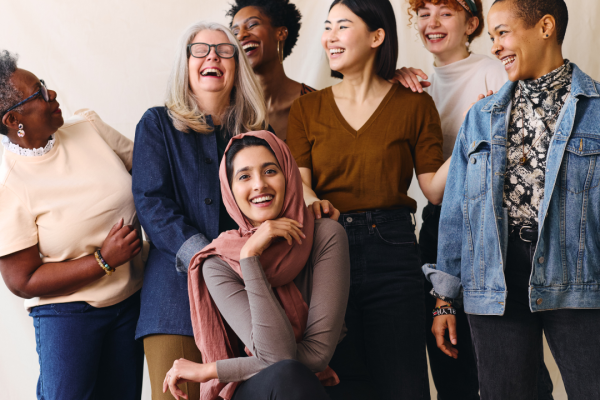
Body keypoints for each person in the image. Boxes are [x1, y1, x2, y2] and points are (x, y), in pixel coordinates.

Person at [424, 0, 600, 398]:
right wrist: (444, 299)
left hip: (578, 274)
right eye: (492, 37)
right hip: (494, 276)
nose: (497, 46)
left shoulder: (597, 111)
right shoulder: (481, 116)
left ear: (546, 27)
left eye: (503, 33)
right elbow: (456, 213)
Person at [287, 0, 451, 398]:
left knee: (403, 383)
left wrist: (474, 130)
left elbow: (433, 189)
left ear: (377, 36)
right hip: (327, 249)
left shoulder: (415, 105)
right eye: (327, 27)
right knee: (343, 383)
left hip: (394, 251)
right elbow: (300, 183)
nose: (330, 37)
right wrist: (312, 200)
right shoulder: (306, 109)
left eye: (343, 26)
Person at [397, 1, 553, 399]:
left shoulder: (495, 69)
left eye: (445, 13)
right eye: (424, 12)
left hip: (488, 226)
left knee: (510, 365)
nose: (432, 22)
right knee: (451, 359)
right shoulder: (416, 83)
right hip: (438, 225)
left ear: (472, 24)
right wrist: (392, 82)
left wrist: (473, 126)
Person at [132, 21, 268, 400]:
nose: (213, 57)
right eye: (201, 50)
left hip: (246, 296)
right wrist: (205, 257)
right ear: (186, 63)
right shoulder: (157, 124)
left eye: (225, 51)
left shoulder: (256, 134)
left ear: (237, 65)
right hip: (173, 301)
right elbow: (151, 203)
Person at [0, 50, 144, 400]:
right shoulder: (9, 185)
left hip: (132, 300)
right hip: (67, 314)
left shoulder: (88, 127)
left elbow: (149, 171)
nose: (53, 95)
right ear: (13, 120)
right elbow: (22, 280)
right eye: (40, 93)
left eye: (46, 86)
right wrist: (103, 260)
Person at [163, 131, 349, 400]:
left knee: (292, 376)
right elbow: (280, 358)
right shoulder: (217, 262)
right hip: (259, 389)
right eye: (244, 176)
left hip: (302, 382)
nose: (259, 185)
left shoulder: (325, 235)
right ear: (230, 190)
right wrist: (249, 256)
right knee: (288, 376)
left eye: (270, 171)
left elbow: (316, 354)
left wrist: (211, 371)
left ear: (288, 175)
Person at [228, 0, 315, 141]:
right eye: (235, 32)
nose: (241, 35)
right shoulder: (228, 107)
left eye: (252, 25)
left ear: (281, 33)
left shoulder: (316, 104)